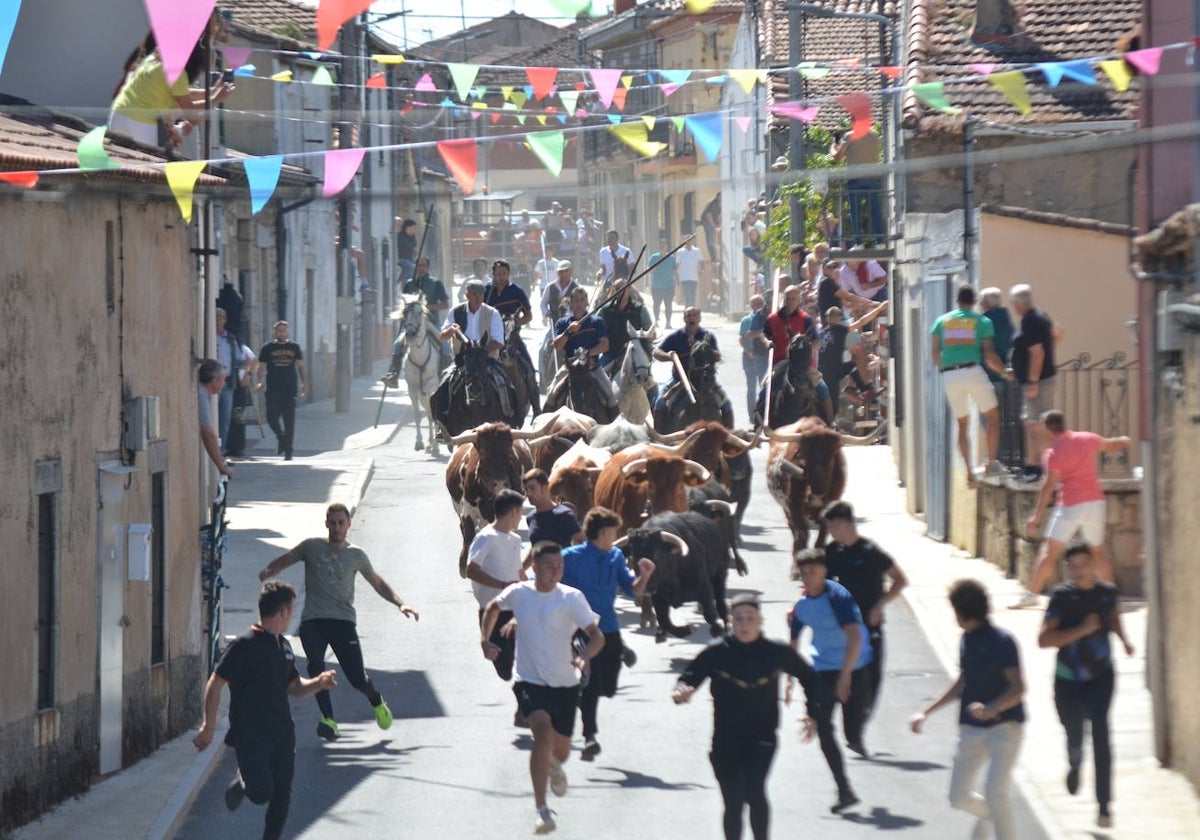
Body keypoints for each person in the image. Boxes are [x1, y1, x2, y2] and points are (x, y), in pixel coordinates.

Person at [256, 503, 419, 741]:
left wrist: (400, 603)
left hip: (343, 621)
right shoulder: (312, 546)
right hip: (314, 620)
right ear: (326, 524)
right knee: (315, 667)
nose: (337, 527)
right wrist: (270, 569)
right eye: (332, 523)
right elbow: (288, 558)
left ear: (348, 524)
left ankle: (376, 700)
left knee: (356, 678)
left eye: (341, 523)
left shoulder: (356, 555)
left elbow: (377, 582)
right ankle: (328, 720)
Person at [194, 580, 336, 840]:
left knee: (282, 796)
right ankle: (244, 782)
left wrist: (317, 683)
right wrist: (209, 726)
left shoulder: (284, 646)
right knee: (261, 793)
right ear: (282, 612)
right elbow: (216, 682)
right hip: (250, 736)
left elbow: (294, 686)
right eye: (291, 610)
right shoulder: (243, 646)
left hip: (282, 733)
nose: (291, 615)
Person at [481, 542, 604, 835]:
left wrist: (585, 656)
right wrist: (484, 640)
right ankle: (541, 810)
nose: (556, 571)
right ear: (534, 567)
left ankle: (554, 766)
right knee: (542, 735)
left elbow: (597, 636)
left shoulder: (571, 598)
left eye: (559, 566)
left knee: (560, 752)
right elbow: (493, 607)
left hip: (565, 684)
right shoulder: (519, 593)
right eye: (549, 566)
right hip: (529, 681)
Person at [673, 593, 819, 840]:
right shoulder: (716, 652)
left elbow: (810, 679)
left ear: (760, 620)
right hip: (725, 740)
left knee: (754, 791)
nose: (744, 624)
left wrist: (813, 714)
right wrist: (681, 691)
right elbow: (689, 677)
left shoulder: (777, 652)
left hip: (762, 737)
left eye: (750, 618)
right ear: (730, 622)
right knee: (733, 800)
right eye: (738, 619)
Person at [911, 579, 1026, 840]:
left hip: (1006, 728)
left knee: (996, 792)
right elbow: (963, 682)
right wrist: (926, 712)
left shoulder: (1002, 641)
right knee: (958, 798)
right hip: (971, 729)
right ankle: (988, 815)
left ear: (962, 611)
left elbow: (1018, 687)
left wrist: (992, 708)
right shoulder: (966, 640)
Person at [1037, 541, 1134, 829]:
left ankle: (1104, 807)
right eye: (1073, 566)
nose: (1079, 571)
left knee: (1102, 734)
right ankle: (1075, 759)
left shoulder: (1107, 593)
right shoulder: (1061, 597)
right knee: (1074, 731)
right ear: (1068, 569)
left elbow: (1113, 618)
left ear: (1093, 563)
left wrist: (1124, 639)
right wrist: (1081, 630)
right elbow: (1043, 640)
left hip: (1102, 675)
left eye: (1083, 564)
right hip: (1067, 679)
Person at [560, 507, 655, 761]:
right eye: (614, 532)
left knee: (609, 687)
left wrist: (644, 576)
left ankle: (580, 693)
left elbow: (632, 590)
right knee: (591, 680)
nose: (616, 536)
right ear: (602, 533)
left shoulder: (615, 557)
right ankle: (590, 736)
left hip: (610, 629)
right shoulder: (570, 557)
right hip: (581, 629)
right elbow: (544, 578)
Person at [1013, 411, 1132, 608]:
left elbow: (1048, 486)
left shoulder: (1053, 454)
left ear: (1048, 429)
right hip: (1095, 503)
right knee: (1098, 553)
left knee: (1049, 553)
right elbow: (1112, 444)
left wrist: (1036, 516)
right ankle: (1112, 597)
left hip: (1069, 505)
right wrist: (1124, 440)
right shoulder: (1086, 438)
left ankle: (1031, 595)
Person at [787, 549, 869, 813]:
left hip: (855, 666)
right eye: (803, 573)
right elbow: (793, 641)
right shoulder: (801, 605)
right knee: (823, 726)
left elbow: (855, 637)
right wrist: (789, 678)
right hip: (823, 669)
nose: (808, 577)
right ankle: (844, 790)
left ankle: (854, 735)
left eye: (813, 571)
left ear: (824, 571)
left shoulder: (838, 597)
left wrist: (846, 675)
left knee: (852, 730)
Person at [820, 501, 907, 719]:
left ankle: (862, 717)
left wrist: (880, 604)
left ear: (843, 524)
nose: (829, 532)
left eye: (831, 527)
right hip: (842, 626)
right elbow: (822, 585)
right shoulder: (832, 551)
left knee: (873, 676)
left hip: (870, 623)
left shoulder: (871, 552)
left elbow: (900, 580)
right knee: (841, 674)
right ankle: (852, 723)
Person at [929, 284, 1013, 485]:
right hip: (972, 370)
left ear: (957, 300)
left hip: (950, 375)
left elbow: (934, 352)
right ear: (974, 301)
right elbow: (989, 354)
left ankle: (968, 471)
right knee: (993, 417)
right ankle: (991, 463)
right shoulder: (982, 321)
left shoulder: (942, 321)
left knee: (962, 424)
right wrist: (1003, 371)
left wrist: (944, 369)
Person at [110, 26, 236, 149]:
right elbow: (191, 114)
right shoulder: (176, 72)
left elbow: (182, 95)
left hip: (118, 115)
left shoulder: (154, 58)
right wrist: (215, 99)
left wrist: (212, 92)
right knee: (149, 166)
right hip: (141, 124)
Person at [466, 489, 529, 725]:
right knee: (504, 669)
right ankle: (522, 698)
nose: (520, 517)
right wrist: (501, 584)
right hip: (492, 612)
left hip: (517, 610)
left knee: (523, 659)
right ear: (512, 512)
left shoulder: (515, 539)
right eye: (520, 512)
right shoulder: (486, 537)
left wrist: (532, 588)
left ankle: (524, 707)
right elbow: (471, 569)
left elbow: (518, 571)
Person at [1009, 284, 1063, 481]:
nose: (1013, 306)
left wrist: (1033, 381)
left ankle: (1043, 467)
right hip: (1039, 379)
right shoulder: (1041, 316)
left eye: (1013, 302)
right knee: (1032, 423)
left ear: (1018, 303)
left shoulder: (1030, 321)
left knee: (1039, 424)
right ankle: (1033, 465)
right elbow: (1059, 333)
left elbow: (1037, 353)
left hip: (1038, 382)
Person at [653, 306, 734, 428]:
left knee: (726, 403)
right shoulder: (676, 336)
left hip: (706, 381)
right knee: (660, 402)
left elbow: (717, 355)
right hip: (680, 380)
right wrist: (669, 355)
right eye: (688, 316)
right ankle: (659, 438)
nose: (692, 318)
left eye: (694, 315)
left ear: (699, 318)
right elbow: (656, 352)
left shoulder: (708, 336)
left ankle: (728, 437)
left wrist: (709, 352)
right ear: (684, 319)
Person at [550, 286, 618, 409]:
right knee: (551, 394)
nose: (579, 303)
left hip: (592, 366)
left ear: (586, 302)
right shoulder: (562, 323)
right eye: (576, 300)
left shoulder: (597, 321)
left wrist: (588, 353)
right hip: (570, 367)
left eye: (582, 300)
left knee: (612, 396)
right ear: (571, 302)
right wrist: (567, 332)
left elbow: (605, 345)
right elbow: (557, 345)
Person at [486, 259, 539, 413]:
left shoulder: (516, 291)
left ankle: (536, 407)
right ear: (493, 274)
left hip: (512, 338)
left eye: (504, 273)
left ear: (508, 274)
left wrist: (517, 322)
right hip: (492, 339)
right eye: (498, 274)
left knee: (528, 368)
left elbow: (529, 315)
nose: (501, 276)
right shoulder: (486, 291)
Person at [981, 287, 1021, 469]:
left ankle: (996, 460)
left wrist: (1001, 371)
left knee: (990, 422)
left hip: (989, 378)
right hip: (1010, 379)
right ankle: (1013, 459)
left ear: (985, 304)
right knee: (1009, 421)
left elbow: (989, 354)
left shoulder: (983, 322)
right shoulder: (1009, 321)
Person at [256, 320, 307, 461]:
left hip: (289, 388)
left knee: (289, 420)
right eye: (279, 330)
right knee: (271, 418)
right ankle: (281, 438)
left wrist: (304, 383)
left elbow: (301, 366)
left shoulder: (294, 347)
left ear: (288, 331)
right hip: (273, 388)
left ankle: (289, 451)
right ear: (275, 332)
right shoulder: (268, 348)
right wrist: (260, 381)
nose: (282, 333)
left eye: (284, 330)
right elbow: (261, 367)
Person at [830, 126, 884, 245]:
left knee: (855, 212)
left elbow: (837, 157)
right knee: (875, 210)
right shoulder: (875, 135)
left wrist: (833, 146)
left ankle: (858, 243)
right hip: (872, 177)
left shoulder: (850, 135)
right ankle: (881, 241)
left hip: (855, 179)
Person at [597, 274, 653, 369]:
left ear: (629, 289)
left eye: (624, 288)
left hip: (634, 357)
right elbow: (595, 330)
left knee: (648, 380)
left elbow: (651, 335)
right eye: (617, 288)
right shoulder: (604, 311)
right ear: (614, 290)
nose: (621, 291)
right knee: (595, 377)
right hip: (610, 355)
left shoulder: (640, 309)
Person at [523, 469, 585, 548]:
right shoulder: (531, 518)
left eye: (532, 488)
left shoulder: (564, 515)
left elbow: (584, 543)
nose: (528, 494)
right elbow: (535, 549)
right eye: (526, 490)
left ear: (544, 488)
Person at [198, 359, 235, 480]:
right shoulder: (201, 395)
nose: (224, 384)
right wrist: (222, 468)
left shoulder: (203, 393)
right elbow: (208, 435)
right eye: (223, 380)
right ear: (214, 381)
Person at [764, 284, 817, 368]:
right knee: (766, 381)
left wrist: (805, 354)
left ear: (798, 300)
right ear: (784, 299)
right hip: (779, 363)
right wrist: (767, 342)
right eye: (788, 299)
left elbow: (816, 341)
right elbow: (764, 335)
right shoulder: (772, 319)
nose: (790, 302)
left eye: (793, 299)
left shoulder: (806, 319)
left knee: (818, 381)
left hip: (802, 365)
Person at [214, 308, 245, 451]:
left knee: (224, 420)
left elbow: (239, 360)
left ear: (225, 321)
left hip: (226, 383)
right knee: (211, 418)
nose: (218, 321)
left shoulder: (230, 339)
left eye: (221, 318)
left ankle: (221, 450)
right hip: (211, 381)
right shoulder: (207, 336)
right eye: (216, 318)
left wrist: (246, 373)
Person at [739, 295, 770, 422]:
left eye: (760, 303)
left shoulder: (766, 318)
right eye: (755, 303)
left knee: (764, 386)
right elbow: (743, 338)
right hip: (749, 357)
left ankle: (763, 413)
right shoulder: (747, 320)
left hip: (762, 356)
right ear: (751, 305)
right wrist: (749, 351)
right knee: (751, 388)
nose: (758, 305)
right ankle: (753, 417)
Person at [649, 237, 678, 328]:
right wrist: (653, 269)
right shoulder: (654, 257)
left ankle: (668, 322)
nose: (662, 247)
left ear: (666, 247)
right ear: (659, 247)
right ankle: (656, 320)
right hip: (657, 285)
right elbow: (649, 269)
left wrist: (677, 280)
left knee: (668, 305)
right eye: (660, 245)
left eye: (664, 245)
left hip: (669, 285)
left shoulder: (671, 258)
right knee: (656, 304)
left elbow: (675, 270)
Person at [540, 260, 581, 324]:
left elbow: (581, 305)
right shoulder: (550, 287)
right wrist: (547, 313)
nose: (563, 274)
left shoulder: (577, 287)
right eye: (561, 272)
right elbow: (543, 304)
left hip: (572, 323)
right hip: (555, 323)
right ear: (557, 273)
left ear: (571, 272)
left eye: (566, 271)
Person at [598, 229, 632, 295]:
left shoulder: (626, 251)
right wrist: (600, 272)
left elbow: (632, 267)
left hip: (624, 283)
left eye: (611, 238)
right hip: (609, 282)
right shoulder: (603, 252)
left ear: (617, 238)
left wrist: (624, 275)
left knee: (637, 298)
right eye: (608, 238)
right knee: (600, 298)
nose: (609, 240)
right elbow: (603, 268)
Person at [676, 238, 703, 309]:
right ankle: (688, 309)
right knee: (687, 295)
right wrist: (677, 277)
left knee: (693, 295)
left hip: (694, 277)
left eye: (690, 241)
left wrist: (701, 271)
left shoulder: (697, 251)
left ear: (692, 242)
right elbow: (678, 264)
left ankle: (692, 309)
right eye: (687, 241)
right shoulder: (680, 252)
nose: (688, 243)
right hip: (684, 277)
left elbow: (701, 262)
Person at [396, 218, 418, 282]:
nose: (414, 230)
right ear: (408, 228)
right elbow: (396, 249)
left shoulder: (412, 237)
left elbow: (415, 249)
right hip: (401, 259)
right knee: (411, 268)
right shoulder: (400, 236)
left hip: (410, 260)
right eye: (413, 228)